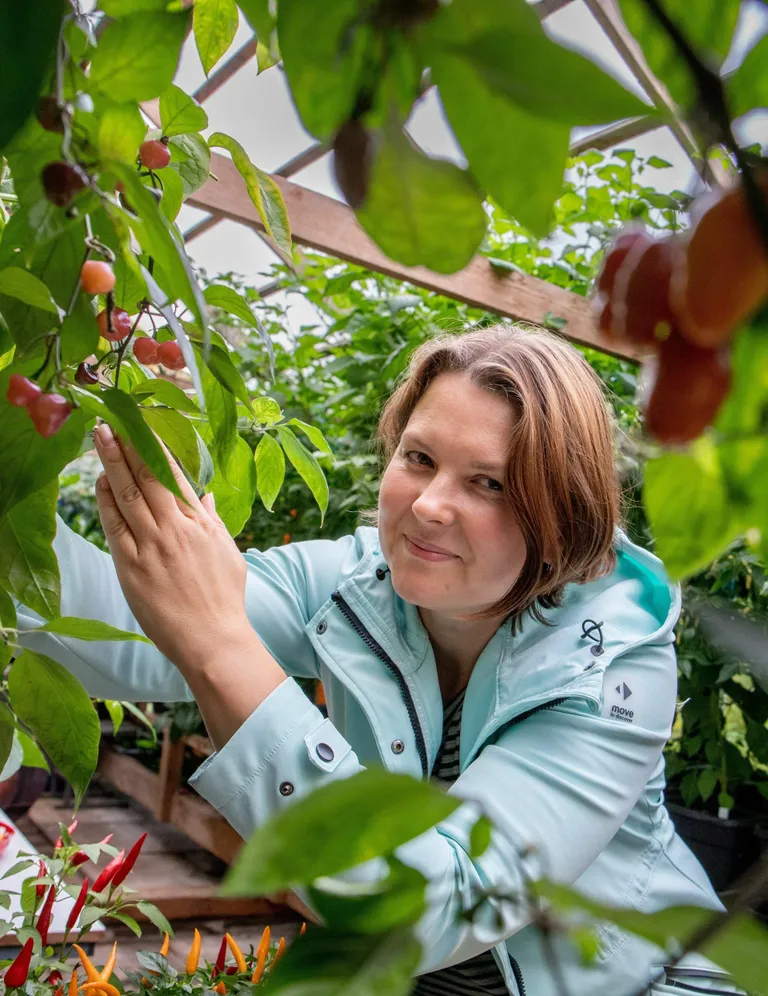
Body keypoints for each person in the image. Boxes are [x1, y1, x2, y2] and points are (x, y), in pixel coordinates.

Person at [14, 327, 741, 996]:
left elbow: (431, 907)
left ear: (561, 516)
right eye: (418, 458)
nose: (428, 504)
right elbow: (124, 628)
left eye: (487, 483)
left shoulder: (613, 663)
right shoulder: (358, 585)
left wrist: (221, 647)